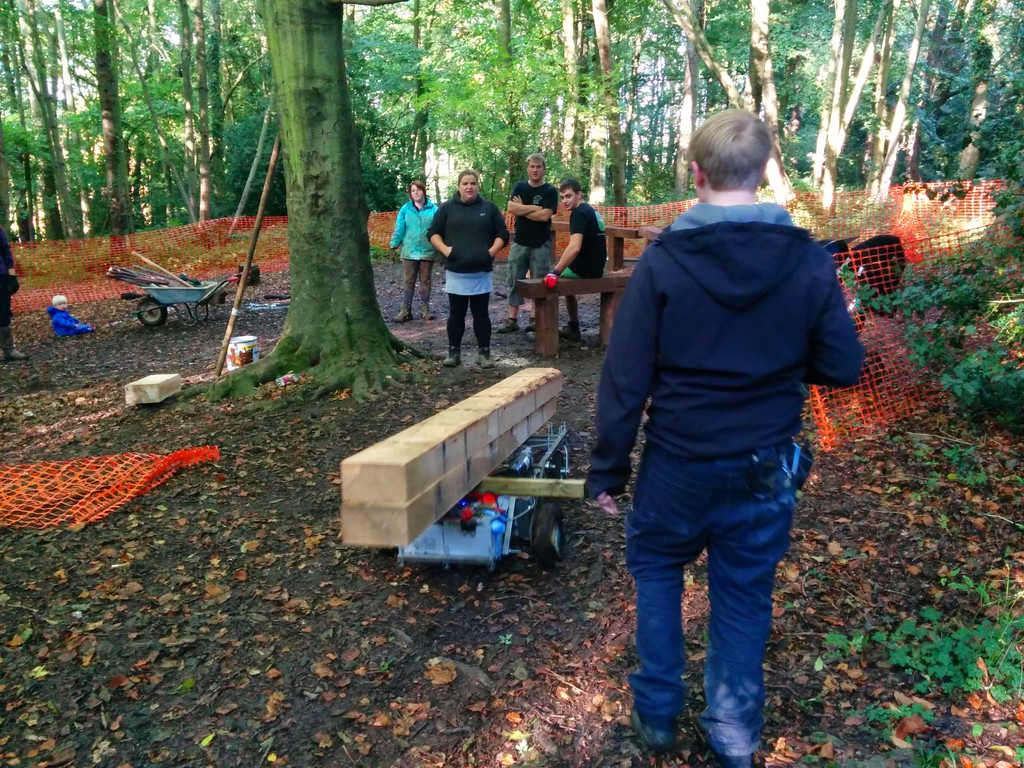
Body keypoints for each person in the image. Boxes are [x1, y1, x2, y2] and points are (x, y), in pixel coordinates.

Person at [586, 110, 863, 766]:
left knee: (658, 570)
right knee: (743, 594)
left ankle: (657, 714)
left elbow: (625, 376)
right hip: (766, 466)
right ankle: (734, 737)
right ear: (763, 171)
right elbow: (843, 365)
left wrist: (607, 470)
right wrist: (778, 354)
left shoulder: (664, 260)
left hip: (678, 463)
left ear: (696, 173)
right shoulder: (807, 260)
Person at [428, 170, 509, 369]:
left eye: (473, 183)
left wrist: (490, 252)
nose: (469, 187)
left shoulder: (489, 208)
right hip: (456, 271)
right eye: (465, 183)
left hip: (481, 271)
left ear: (477, 186)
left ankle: (484, 354)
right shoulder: (447, 208)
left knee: (481, 314)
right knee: (456, 314)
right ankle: (453, 353)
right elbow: (433, 233)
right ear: (458, 186)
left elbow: (502, 234)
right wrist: (446, 250)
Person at [498, 153, 558, 334]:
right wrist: (534, 208)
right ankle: (512, 319)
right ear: (527, 168)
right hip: (520, 242)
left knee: (539, 281)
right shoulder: (520, 187)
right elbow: (511, 207)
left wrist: (522, 209)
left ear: (544, 169)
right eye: (532, 166)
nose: (535, 170)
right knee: (514, 278)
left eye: (538, 166)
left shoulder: (550, 191)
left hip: (541, 243)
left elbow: (545, 216)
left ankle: (535, 318)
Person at [542, 178, 607, 342]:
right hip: (598, 267)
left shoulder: (578, 213)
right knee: (563, 273)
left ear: (579, 194)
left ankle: (545, 328)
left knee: (547, 282)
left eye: (568, 196)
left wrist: (555, 272)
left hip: (585, 269)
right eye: (562, 197)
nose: (565, 201)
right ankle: (573, 325)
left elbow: (575, 247)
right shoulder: (591, 211)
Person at [388, 180, 439, 322]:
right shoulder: (405, 209)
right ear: (410, 194)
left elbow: (439, 228)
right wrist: (394, 244)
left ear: (424, 191)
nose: (416, 192)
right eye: (413, 191)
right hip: (409, 251)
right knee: (409, 280)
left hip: (428, 250)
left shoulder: (434, 209)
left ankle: (425, 309)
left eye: (418, 189)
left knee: (426, 280)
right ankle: (405, 310)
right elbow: (400, 228)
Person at [0, 225, 29, 362]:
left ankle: (9, 350)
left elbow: (5, 250)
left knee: (3, 312)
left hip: (1, 277)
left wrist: (11, 275)